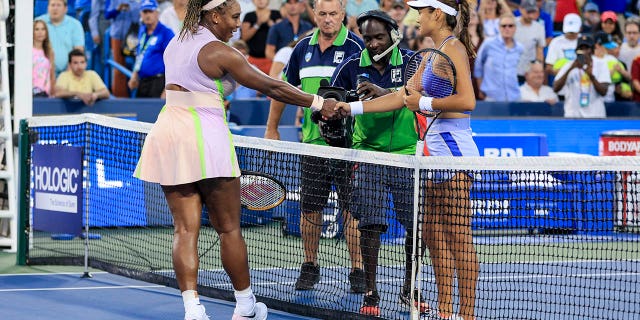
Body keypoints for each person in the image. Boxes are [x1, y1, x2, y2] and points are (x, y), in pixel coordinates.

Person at [133, 0, 339, 319]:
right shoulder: (220, 52)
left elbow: (190, 87)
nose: (236, 25)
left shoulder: (176, 42)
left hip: (169, 133)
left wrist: (215, 101)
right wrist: (317, 102)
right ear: (214, 15)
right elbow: (271, 85)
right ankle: (245, 306)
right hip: (204, 137)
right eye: (233, 17)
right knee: (228, 228)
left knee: (184, 230)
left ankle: (193, 309)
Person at [336, 0, 479, 318]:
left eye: (422, 11)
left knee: (458, 236)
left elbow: (467, 101)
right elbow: (401, 96)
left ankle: (465, 314)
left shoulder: (453, 48)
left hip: (454, 149)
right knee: (433, 233)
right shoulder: (430, 53)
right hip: (434, 150)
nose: (416, 16)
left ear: (437, 15)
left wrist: (424, 102)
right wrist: (350, 108)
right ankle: (445, 311)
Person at [330, 10, 429, 316]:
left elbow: (418, 95)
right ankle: (371, 292)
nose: (372, 44)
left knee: (416, 227)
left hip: (404, 154)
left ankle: (409, 290)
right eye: (367, 38)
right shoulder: (351, 66)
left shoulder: (413, 61)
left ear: (393, 35)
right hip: (368, 153)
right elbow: (331, 96)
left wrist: (382, 94)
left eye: (378, 37)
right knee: (371, 225)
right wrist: (331, 107)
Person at [264, 0, 366, 293]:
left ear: (343, 14)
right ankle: (310, 265)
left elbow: (369, 95)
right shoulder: (301, 49)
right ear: (315, 15)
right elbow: (283, 90)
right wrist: (272, 128)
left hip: (349, 146)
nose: (328, 20)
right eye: (322, 14)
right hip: (312, 145)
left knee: (353, 211)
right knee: (310, 209)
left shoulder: (357, 48)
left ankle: (357, 270)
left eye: (334, 14)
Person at [552, 34, 610, 118]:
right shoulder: (569, 65)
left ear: (593, 50)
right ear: (576, 51)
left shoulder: (601, 64)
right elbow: (555, 88)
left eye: (587, 48)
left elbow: (604, 91)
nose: (584, 51)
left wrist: (591, 76)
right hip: (573, 115)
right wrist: (570, 68)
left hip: (595, 115)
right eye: (581, 49)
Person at [127, 0, 175, 98]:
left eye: (150, 11)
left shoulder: (166, 33)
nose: (147, 15)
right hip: (143, 81)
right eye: (145, 12)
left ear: (157, 13)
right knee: (140, 112)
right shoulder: (142, 31)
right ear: (141, 14)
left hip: (159, 82)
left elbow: (174, 62)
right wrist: (134, 75)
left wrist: (167, 89)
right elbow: (140, 54)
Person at [474, 14, 524, 101]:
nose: (507, 28)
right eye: (503, 26)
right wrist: (480, 88)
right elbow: (478, 67)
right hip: (491, 97)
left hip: (514, 96)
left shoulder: (520, 48)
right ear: (499, 28)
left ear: (515, 28)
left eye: (510, 26)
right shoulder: (488, 43)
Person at [35, 0, 85, 76]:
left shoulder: (75, 25)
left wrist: (67, 75)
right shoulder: (38, 23)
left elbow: (78, 50)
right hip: (42, 72)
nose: (55, 8)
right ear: (48, 8)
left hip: (69, 72)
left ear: (65, 9)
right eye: (53, 5)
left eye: (58, 5)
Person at [33, 20, 56, 97]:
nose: (40, 32)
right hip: (31, 92)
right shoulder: (28, 50)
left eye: (43, 29)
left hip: (45, 92)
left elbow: (52, 74)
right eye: (37, 29)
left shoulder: (50, 52)